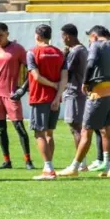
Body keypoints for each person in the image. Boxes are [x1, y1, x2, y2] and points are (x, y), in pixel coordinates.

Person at [58, 26, 110, 178]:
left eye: (89, 38)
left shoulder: (96, 46)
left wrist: (85, 82)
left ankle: (75, 167)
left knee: (85, 131)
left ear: (94, 36)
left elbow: (90, 64)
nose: (89, 41)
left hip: (98, 93)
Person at [0, 22, 35, 170]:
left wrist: (23, 90)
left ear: (7, 33)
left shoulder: (17, 49)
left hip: (11, 94)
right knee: (1, 129)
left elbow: (31, 70)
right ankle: (7, 161)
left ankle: (28, 160)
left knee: (19, 127)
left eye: (1, 35)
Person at [25, 25, 68, 180]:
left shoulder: (32, 52)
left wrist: (51, 85)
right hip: (55, 98)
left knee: (39, 132)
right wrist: (57, 96)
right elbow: (64, 78)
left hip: (39, 97)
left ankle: (49, 169)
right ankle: (47, 167)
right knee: (49, 133)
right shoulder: (59, 53)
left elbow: (36, 76)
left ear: (37, 36)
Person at [58, 24, 89, 172]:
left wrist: (63, 56)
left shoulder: (76, 52)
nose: (62, 40)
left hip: (74, 92)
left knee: (75, 127)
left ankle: (81, 163)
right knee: (78, 127)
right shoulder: (84, 50)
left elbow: (66, 73)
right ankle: (82, 161)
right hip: (80, 92)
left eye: (63, 36)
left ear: (68, 36)